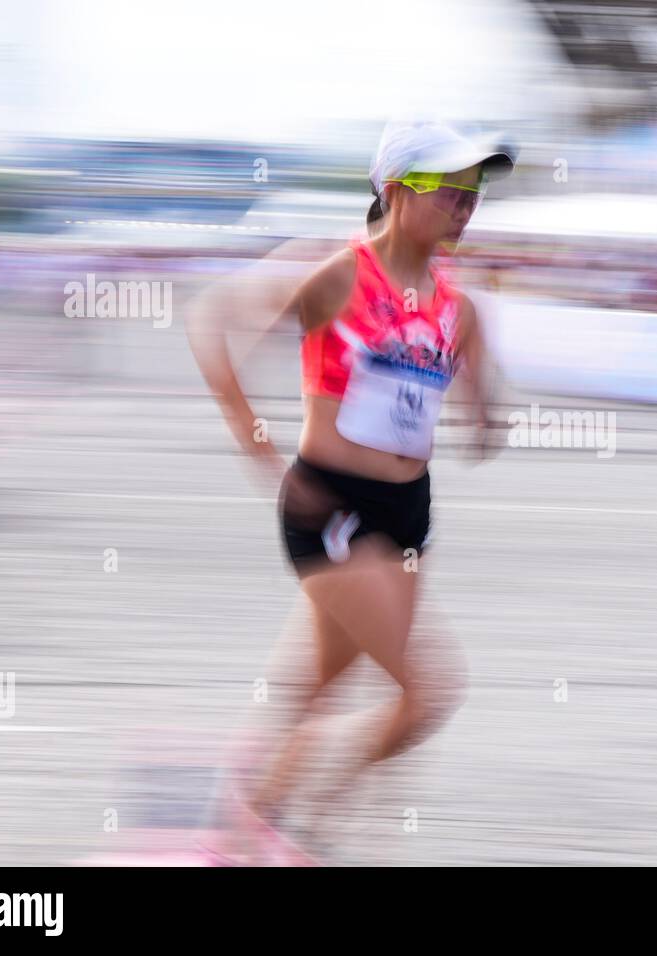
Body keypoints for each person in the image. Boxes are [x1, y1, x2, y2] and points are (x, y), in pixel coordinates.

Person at [188, 120, 514, 863]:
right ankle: (306, 829)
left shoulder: (461, 307)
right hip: (330, 506)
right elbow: (213, 323)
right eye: (450, 192)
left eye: (475, 194)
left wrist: (485, 419)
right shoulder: (337, 273)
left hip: (408, 514)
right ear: (397, 192)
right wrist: (263, 454)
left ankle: (242, 824)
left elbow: (473, 411)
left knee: (318, 689)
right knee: (427, 695)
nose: (466, 207)